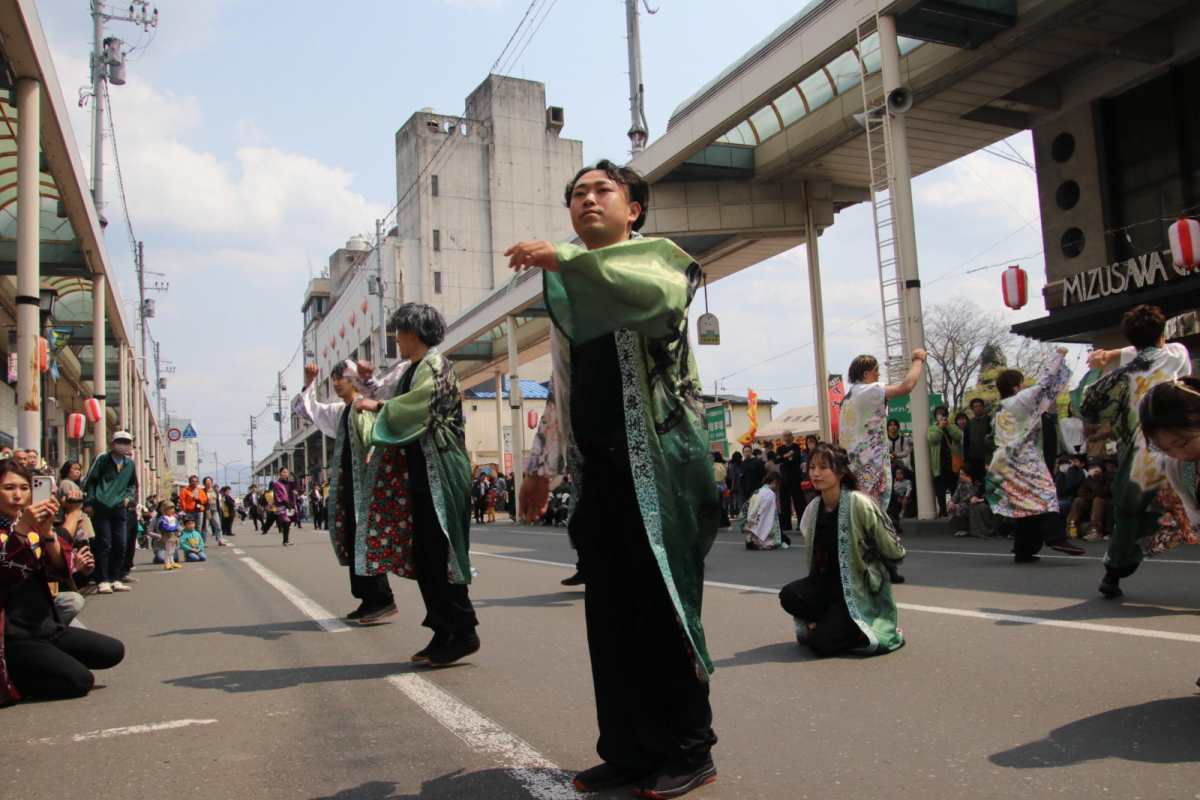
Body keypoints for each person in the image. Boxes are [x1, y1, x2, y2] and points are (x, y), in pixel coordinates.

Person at [511, 160, 719, 798]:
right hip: (598, 469)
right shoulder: (569, 287)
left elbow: (653, 303)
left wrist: (565, 262)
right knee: (610, 611)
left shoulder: (659, 262)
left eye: (602, 190)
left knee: (662, 607)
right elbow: (563, 387)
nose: (587, 200)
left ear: (634, 209)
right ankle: (627, 749)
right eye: (577, 194)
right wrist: (540, 468)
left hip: (662, 466)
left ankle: (688, 748)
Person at [354, 303, 479, 666]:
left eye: (397, 332)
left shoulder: (436, 365)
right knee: (426, 557)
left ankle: (464, 631)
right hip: (423, 474)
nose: (395, 338)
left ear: (411, 332)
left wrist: (376, 407)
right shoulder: (411, 368)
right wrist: (369, 388)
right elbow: (385, 392)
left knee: (443, 555)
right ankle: (443, 630)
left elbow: (420, 406)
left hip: (442, 471)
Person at [1077, 304, 1194, 597]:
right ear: (1163, 332)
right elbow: (1148, 351)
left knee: (1129, 514)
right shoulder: (1177, 353)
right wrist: (1114, 353)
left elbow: (1087, 407)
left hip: (1142, 460)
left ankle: (1114, 573)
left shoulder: (1122, 374)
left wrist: (1102, 362)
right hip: (1184, 447)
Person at [1, 459, 124, 705]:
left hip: (43, 625)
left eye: (24, 488)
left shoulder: (28, 527)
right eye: (8, 488)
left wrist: (47, 534)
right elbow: (8, 572)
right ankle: (11, 677)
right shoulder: (18, 528)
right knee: (78, 681)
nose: (18, 495)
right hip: (12, 633)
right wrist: (23, 529)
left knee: (112, 651)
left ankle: (41, 660)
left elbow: (57, 572)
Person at [294, 359, 401, 624]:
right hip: (349, 484)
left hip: (367, 484)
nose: (336, 384)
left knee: (366, 539)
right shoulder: (339, 411)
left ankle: (383, 599)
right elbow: (307, 411)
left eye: (340, 378)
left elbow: (380, 433)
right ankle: (367, 599)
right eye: (333, 380)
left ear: (352, 379)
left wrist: (373, 455)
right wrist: (309, 383)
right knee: (353, 539)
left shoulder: (365, 405)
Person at [778, 444, 905, 658]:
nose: (816, 473)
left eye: (823, 467)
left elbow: (895, 552)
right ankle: (835, 621)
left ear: (840, 471)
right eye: (812, 467)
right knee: (789, 595)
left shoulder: (860, 503)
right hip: (827, 586)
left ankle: (864, 628)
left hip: (859, 592)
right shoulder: (813, 508)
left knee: (820, 644)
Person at [984, 349, 1086, 562]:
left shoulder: (1003, 408)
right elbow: (1044, 382)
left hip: (1005, 461)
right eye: (1020, 383)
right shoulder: (1019, 400)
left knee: (1025, 501)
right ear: (1015, 386)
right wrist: (1058, 356)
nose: (1023, 386)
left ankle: (1024, 549)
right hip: (1022, 458)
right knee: (1046, 492)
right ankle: (1055, 537)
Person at [841, 351, 926, 512]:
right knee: (873, 513)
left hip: (853, 466)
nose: (878, 373)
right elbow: (906, 387)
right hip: (869, 467)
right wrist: (918, 360)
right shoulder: (868, 390)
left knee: (859, 513)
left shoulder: (849, 396)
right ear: (865, 373)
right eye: (875, 369)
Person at [81, 430, 138, 595]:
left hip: (119, 507)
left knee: (121, 544)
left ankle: (115, 578)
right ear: (112, 444)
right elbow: (90, 481)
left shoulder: (130, 464)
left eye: (127, 442)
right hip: (101, 506)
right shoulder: (102, 459)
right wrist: (88, 502)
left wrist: (128, 497)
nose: (124, 445)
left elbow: (132, 484)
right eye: (120, 441)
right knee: (104, 544)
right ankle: (102, 580)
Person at [927, 405, 962, 518]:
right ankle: (943, 510)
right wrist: (940, 427)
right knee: (940, 489)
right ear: (935, 416)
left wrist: (949, 427)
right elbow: (933, 439)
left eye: (943, 413)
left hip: (952, 464)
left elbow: (958, 437)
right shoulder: (932, 428)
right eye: (939, 414)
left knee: (954, 488)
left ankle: (955, 510)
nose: (942, 416)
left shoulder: (953, 427)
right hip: (939, 465)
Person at [1070, 458, 1114, 541]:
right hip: (1090, 504)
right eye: (1090, 467)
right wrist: (1092, 496)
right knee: (1079, 500)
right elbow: (1081, 492)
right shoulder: (1088, 478)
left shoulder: (1109, 477)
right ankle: (1071, 527)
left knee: (1098, 499)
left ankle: (1096, 530)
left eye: (1095, 466)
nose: (1093, 469)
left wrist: (1095, 480)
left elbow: (1103, 493)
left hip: (1103, 505)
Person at [741, 472, 787, 550]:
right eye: (778, 485)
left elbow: (744, 509)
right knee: (786, 541)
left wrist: (745, 525)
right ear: (775, 482)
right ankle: (760, 540)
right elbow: (766, 516)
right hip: (759, 532)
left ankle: (753, 539)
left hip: (750, 528)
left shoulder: (757, 491)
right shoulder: (770, 494)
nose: (778, 488)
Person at [948, 464, 995, 538]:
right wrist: (951, 502)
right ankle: (962, 528)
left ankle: (969, 529)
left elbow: (973, 496)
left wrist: (969, 483)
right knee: (954, 507)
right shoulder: (961, 484)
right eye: (960, 474)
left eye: (963, 474)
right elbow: (955, 495)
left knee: (961, 507)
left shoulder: (976, 483)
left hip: (971, 504)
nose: (961, 476)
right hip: (964, 504)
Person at [776, 431, 805, 532]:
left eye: (789, 436)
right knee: (784, 503)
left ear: (792, 437)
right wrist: (786, 456)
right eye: (785, 436)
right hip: (784, 479)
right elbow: (776, 461)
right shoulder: (780, 449)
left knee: (799, 502)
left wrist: (784, 459)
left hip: (795, 478)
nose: (787, 437)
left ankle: (800, 523)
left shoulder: (796, 446)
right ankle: (786, 524)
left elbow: (796, 459)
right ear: (783, 438)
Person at [962, 398, 994, 480]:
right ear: (972, 409)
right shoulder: (969, 424)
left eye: (980, 406)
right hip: (973, 459)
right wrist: (966, 460)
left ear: (983, 407)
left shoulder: (990, 421)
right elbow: (966, 443)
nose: (978, 408)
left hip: (987, 459)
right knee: (975, 483)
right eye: (976, 406)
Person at [270, 468, 298, 546]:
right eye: (283, 472)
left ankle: (286, 540)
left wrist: (292, 473)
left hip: (291, 504)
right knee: (285, 522)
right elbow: (279, 495)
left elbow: (296, 482)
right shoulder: (277, 484)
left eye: (286, 472)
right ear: (280, 473)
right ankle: (285, 540)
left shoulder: (289, 482)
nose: (285, 474)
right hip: (282, 506)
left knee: (288, 523)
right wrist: (286, 503)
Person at [151, 501, 181, 569]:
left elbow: (177, 524)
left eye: (172, 509)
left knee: (173, 550)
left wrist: (179, 530)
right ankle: (167, 563)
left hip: (174, 536)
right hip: (167, 536)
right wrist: (174, 528)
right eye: (169, 509)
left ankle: (172, 562)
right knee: (168, 551)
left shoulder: (173, 518)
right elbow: (165, 527)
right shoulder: (163, 519)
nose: (172, 510)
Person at [199, 476, 224, 544]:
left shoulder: (215, 490)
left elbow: (217, 500)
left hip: (214, 510)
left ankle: (220, 540)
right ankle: (204, 542)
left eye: (210, 481)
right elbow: (201, 500)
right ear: (204, 483)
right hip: (206, 511)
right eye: (207, 481)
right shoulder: (202, 491)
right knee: (205, 527)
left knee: (218, 525)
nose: (209, 482)